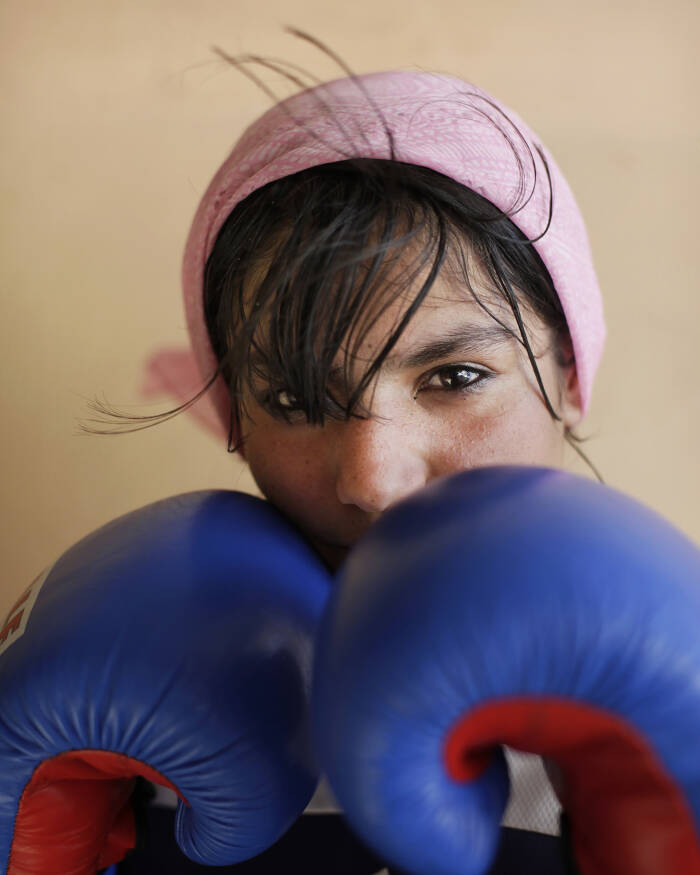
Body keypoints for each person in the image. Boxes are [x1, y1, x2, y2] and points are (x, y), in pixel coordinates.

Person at [85, 27, 605, 874]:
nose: (371, 478)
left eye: (456, 374)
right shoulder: (120, 723)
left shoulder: (667, 716)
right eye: (293, 399)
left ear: (571, 372)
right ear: (235, 418)